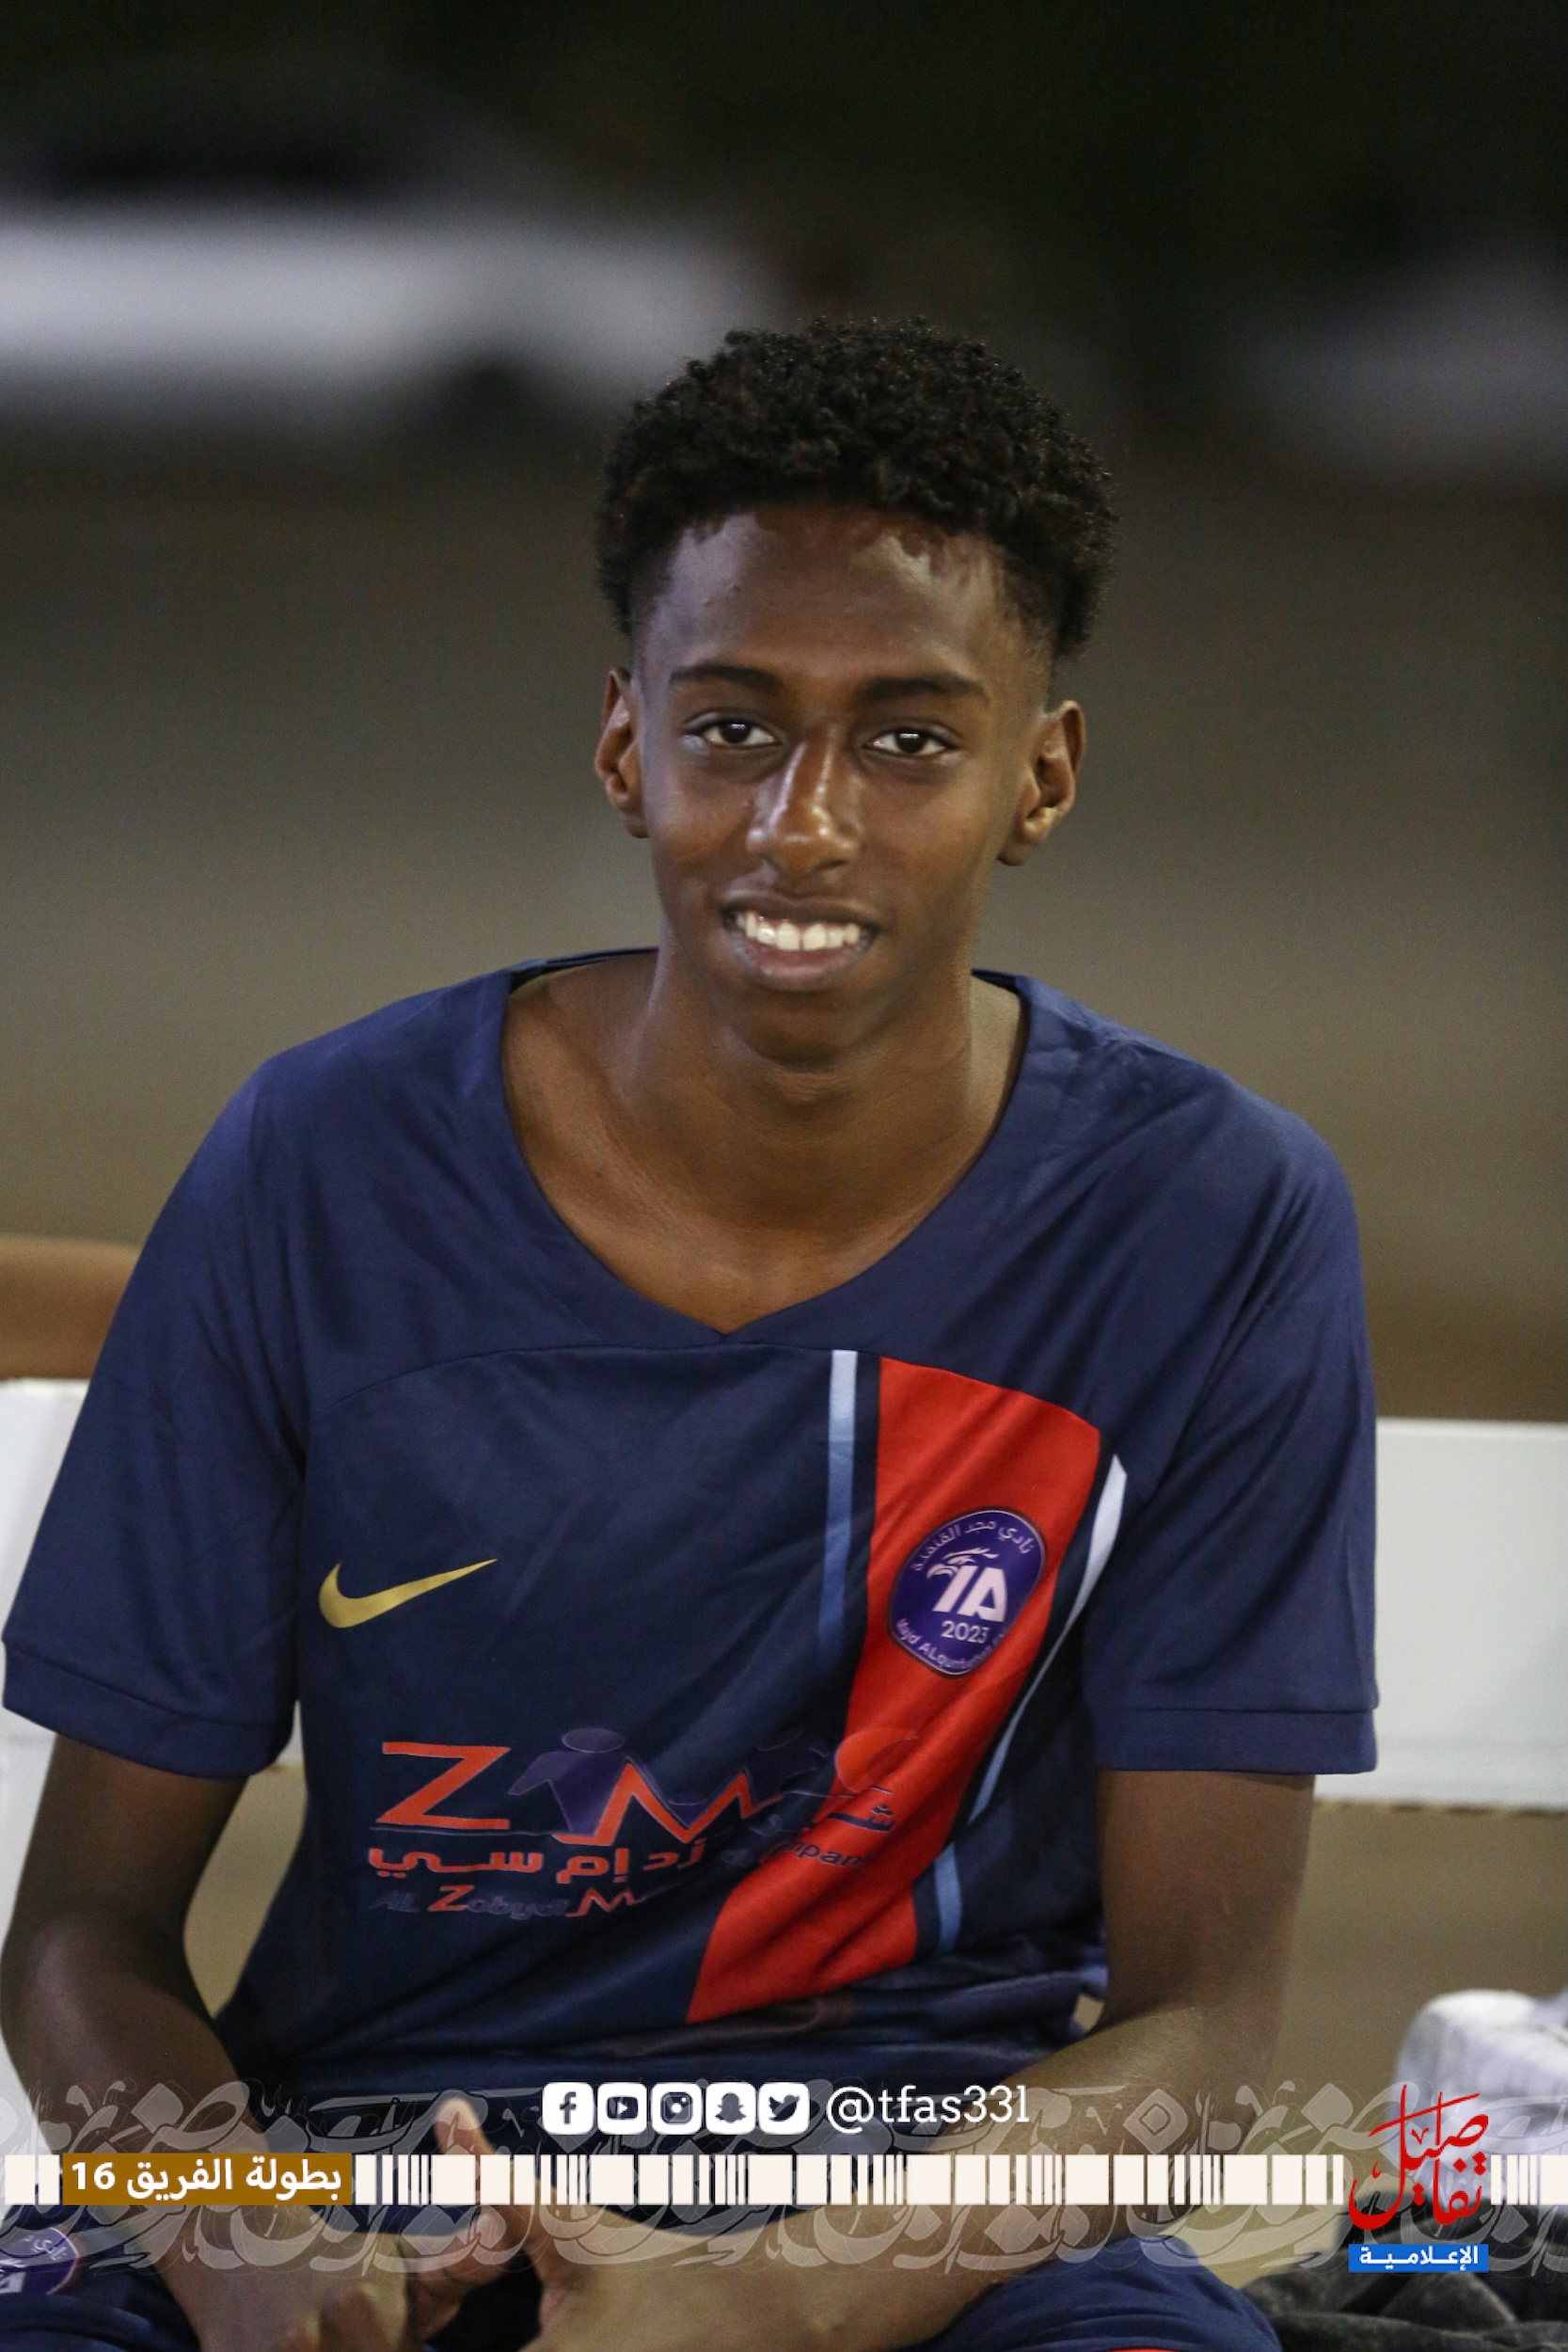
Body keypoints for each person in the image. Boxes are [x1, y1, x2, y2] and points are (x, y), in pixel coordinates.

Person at [0, 320, 1375, 2352]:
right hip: (372, 2169)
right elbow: (82, 1937)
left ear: (1041, 776)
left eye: (909, 740)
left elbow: (1201, 2025)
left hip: (923, 2212)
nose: (802, 824)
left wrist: (770, 2295)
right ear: (626, 744)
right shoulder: (322, 1163)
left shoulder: (1208, 1216)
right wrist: (236, 2233)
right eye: (734, 724)